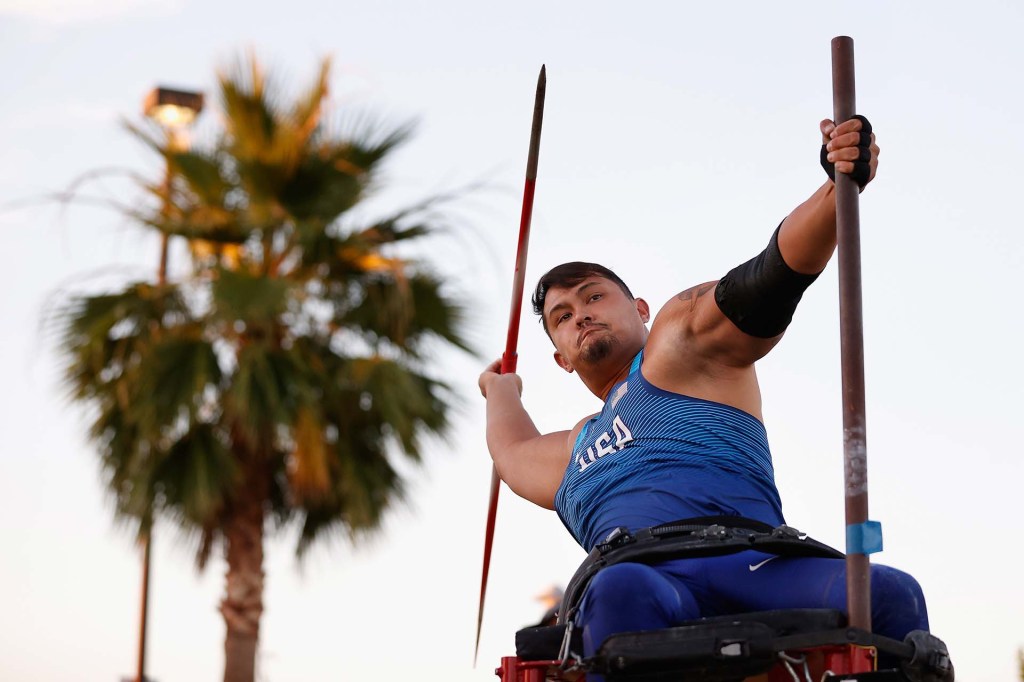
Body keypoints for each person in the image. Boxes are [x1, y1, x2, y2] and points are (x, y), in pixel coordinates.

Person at [478, 116, 952, 680]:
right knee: (621, 592)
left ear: (642, 310)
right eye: (563, 316)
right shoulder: (572, 453)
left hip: (752, 560)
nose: (580, 313)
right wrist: (499, 388)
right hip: (639, 577)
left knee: (889, 594)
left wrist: (836, 187)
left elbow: (767, 279)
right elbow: (510, 451)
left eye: (594, 296)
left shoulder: (678, 350)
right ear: (560, 356)